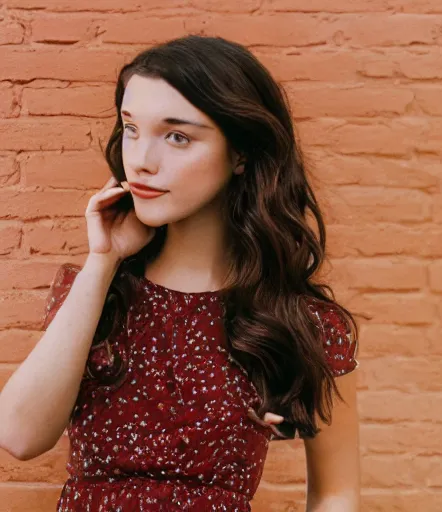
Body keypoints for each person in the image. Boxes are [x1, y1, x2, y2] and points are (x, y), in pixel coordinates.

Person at [0, 36, 360, 511]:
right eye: (131, 129)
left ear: (241, 154)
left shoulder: (303, 323)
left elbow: (336, 494)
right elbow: (19, 436)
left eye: (177, 136)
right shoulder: (98, 292)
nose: (142, 160)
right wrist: (103, 261)